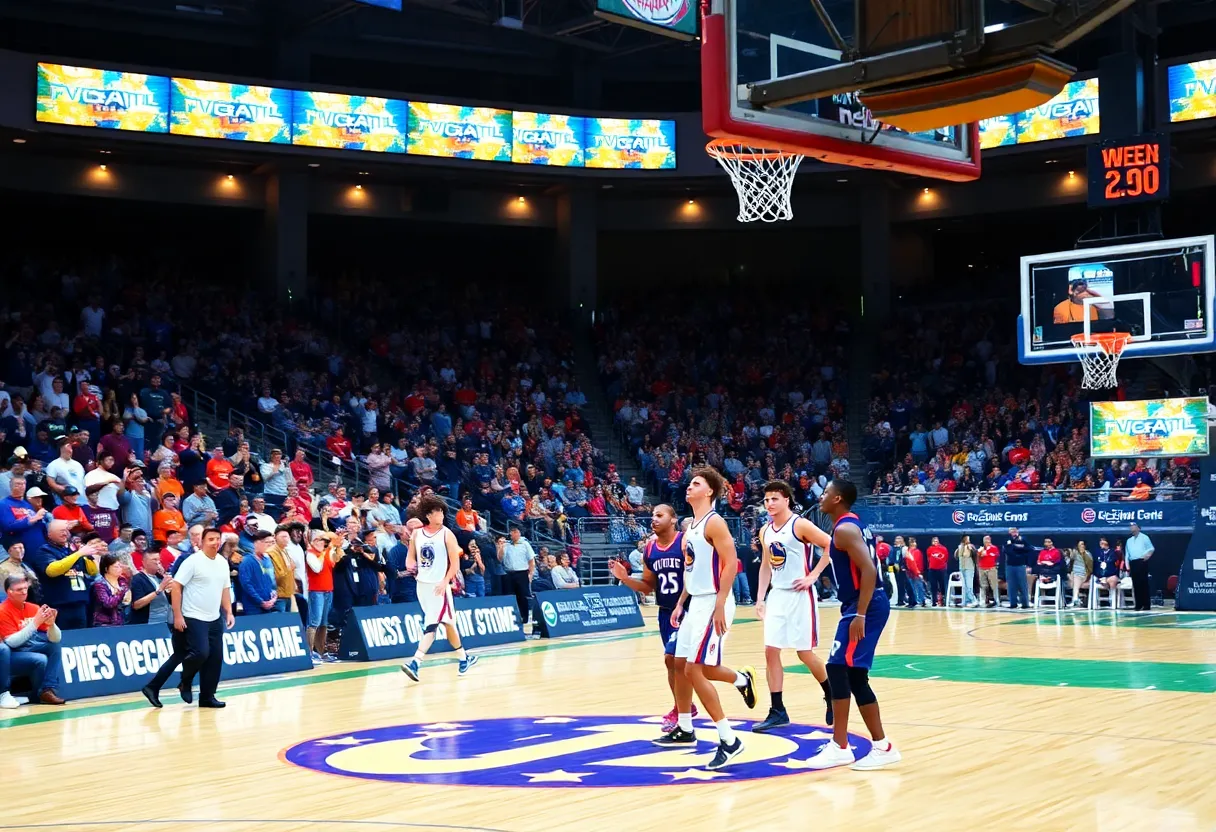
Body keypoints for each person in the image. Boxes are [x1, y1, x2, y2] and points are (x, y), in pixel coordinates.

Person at [655, 468, 756, 772]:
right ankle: (737, 684)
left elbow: (730, 563)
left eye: (696, 484)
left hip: (714, 600)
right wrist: (681, 603)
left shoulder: (715, 522)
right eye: (690, 483)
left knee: (694, 669)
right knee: (680, 663)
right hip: (695, 602)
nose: (689, 487)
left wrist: (721, 603)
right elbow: (692, 568)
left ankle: (729, 740)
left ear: (709, 491)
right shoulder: (691, 527)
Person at [805, 479, 899, 770]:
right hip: (861, 604)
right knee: (855, 676)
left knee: (836, 668)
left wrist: (859, 614)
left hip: (864, 606)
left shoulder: (845, 529)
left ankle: (840, 746)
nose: (821, 496)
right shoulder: (851, 525)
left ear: (839, 499)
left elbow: (869, 570)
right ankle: (882, 746)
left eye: (826, 493)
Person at [751, 481, 835, 733]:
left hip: (801, 596)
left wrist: (814, 576)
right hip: (777, 595)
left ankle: (832, 694)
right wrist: (760, 598)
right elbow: (766, 564)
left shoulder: (799, 524)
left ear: (787, 499)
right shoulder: (765, 530)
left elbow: (831, 544)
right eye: (766, 500)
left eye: (774, 499)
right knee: (770, 651)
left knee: (804, 654)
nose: (770, 504)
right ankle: (777, 710)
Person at [608, 504, 698, 733]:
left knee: (673, 659)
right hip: (665, 612)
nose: (654, 519)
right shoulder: (650, 549)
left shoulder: (685, 542)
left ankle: (682, 709)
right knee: (673, 663)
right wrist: (626, 578)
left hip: (689, 609)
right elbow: (648, 587)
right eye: (653, 516)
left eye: (660, 515)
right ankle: (684, 706)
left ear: (673, 519)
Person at [142, 528, 235, 709]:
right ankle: (186, 680)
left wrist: (229, 611)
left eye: (217, 539)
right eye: (211, 539)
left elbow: (225, 588)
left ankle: (207, 696)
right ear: (201, 541)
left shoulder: (223, 562)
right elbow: (176, 586)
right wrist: (178, 615)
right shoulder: (193, 561)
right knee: (200, 653)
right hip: (192, 616)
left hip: (214, 617)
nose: (215, 542)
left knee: (214, 658)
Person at [400, 496, 478, 680]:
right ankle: (464, 658)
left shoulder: (446, 534)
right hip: (422, 586)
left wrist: (445, 582)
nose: (441, 514)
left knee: (431, 624)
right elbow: (410, 557)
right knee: (448, 623)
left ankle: (415, 663)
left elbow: (455, 564)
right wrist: (411, 565)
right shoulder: (417, 534)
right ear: (428, 514)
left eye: (442, 511)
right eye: (437, 511)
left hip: (438, 586)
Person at [0, 575, 66, 707]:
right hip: (9, 656)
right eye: (19, 589)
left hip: (24, 649)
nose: (24, 592)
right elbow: (12, 642)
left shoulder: (33, 608)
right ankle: (4, 693)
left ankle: (47, 690)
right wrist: (35, 622)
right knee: (39, 659)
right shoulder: (3, 610)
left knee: (54, 646)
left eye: (25, 588)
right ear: (9, 592)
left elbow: (56, 638)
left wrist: (52, 624)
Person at [28, 520, 107, 630]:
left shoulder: (73, 549)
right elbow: (52, 570)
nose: (65, 533)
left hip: (80, 603)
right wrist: (79, 554)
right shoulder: (44, 550)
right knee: (62, 639)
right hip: (59, 605)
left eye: (66, 530)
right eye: (61, 531)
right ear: (49, 534)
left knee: (80, 640)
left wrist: (89, 555)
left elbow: (92, 571)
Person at [496, 527, 535, 634]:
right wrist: (500, 548)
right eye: (511, 533)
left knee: (523, 596)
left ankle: (524, 617)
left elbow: (531, 560)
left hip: (522, 573)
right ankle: (511, 618)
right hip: (508, 573)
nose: (512, 535)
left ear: (518, 533)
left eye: (514, 533)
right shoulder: (506, 545)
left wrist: (531, 574)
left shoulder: (525, 544)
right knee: (509, 595)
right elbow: (499, 559)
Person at [129, 549, 173, 626]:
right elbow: (136, 605)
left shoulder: (160, 577)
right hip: (149, 623)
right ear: (144, 562)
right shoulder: (137, 579)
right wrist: (159, 590)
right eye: (154, 559)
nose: (158, 562)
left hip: (167, 621)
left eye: (159, 559)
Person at [1125, 522, 1154, 611]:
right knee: (1136, 584)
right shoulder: (1129, 540)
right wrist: (1127, 565)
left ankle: (1146, 605)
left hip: (1141, 561)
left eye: (1134, 526)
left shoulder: (1144, 537)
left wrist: (1147, 556)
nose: (1132, 527)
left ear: (1139, 528)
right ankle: (1138, 604)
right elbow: (1127, 553)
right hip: (1133, 563)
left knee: (1143, 583)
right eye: (1130, 526)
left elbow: (1151, 548)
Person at [1002, 527, 1032, 610]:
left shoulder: (1023, 539)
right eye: (1012, 531)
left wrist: (1016, 547)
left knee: (1022, 584)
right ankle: (1013, 603)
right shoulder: (1007, 540)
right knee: (1011, 585)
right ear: (1009, 532)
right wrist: (1019, 548)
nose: (1014, 532)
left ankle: (1025, 603)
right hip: (1010, 565)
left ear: (1017, 531)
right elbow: (1008, 551)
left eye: (1015, 530)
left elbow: (1029, 549)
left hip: (1021, 565)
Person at [1067, 540, 1092, 608]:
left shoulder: (1088, 554)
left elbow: (1090, 566)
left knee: (1076, 578)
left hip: (1083, 575)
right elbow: (1071, 557)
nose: (1082, 546)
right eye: (1080, 544)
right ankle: (1076, 598)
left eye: (1083, 544)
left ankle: (1075, 599)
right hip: (1075, 574)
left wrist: (1083, 554)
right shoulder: (1075, 553)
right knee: (1071, 576)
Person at [925, 536, 949, 606]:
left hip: (941, 570)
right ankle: (934, 601)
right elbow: (928, 558)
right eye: (934, 541)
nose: (935, 542)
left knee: (942, 585)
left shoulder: (943, 549)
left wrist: (942, 565)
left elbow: (946, 558)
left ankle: (943, 600)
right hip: (932, 570)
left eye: (936, 541)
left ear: (938, 541)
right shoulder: (929, 549)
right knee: (933, 586)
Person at [978, 534, 1000, 608]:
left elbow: (996, 556)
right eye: (985, 540)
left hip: (991, 568)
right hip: (982, 568)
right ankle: (983, 601)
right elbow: (977, 558)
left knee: (994, 585)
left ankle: (997, 601)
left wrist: (987, 554)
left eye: (988, 539)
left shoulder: (994, 548)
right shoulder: (980, 549)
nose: (987, 541)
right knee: (983, 585)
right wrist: (980, 554)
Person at [955, 535, 978, 607]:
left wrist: (970, 549)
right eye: (967, 539)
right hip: (962, 568)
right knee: (964, 586)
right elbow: (956, 556)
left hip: (969, 568)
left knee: (969, 585)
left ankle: (974, 600)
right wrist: (959, 549)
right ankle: (967, 601)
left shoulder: (971, 546)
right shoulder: (960, 547)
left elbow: (971, 555)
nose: (968, 540)